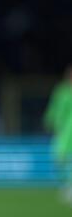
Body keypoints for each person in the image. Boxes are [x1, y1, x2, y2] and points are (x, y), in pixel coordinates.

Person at [44, 65, 72, 204]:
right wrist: (50, 120)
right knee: (59, 158)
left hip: (68, 130)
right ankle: (66, 185)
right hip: (63, 131)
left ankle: (69, 188)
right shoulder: (61, 91)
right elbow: (55, 108)